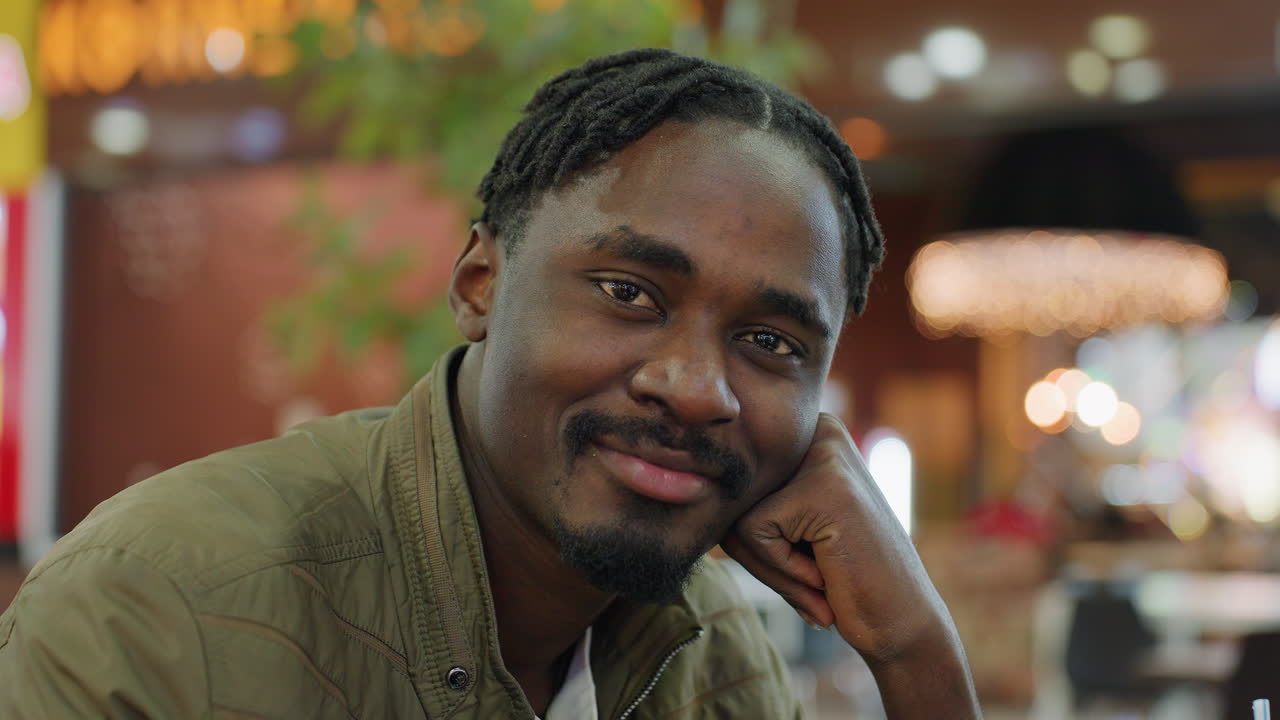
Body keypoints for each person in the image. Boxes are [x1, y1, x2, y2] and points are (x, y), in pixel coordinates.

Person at [0, 49, 980, 718]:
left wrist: (915, 655)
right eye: (628, 291)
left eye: (769, 342)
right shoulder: (161, 612)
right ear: (480, 284)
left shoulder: (709, 651)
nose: (692, 387)